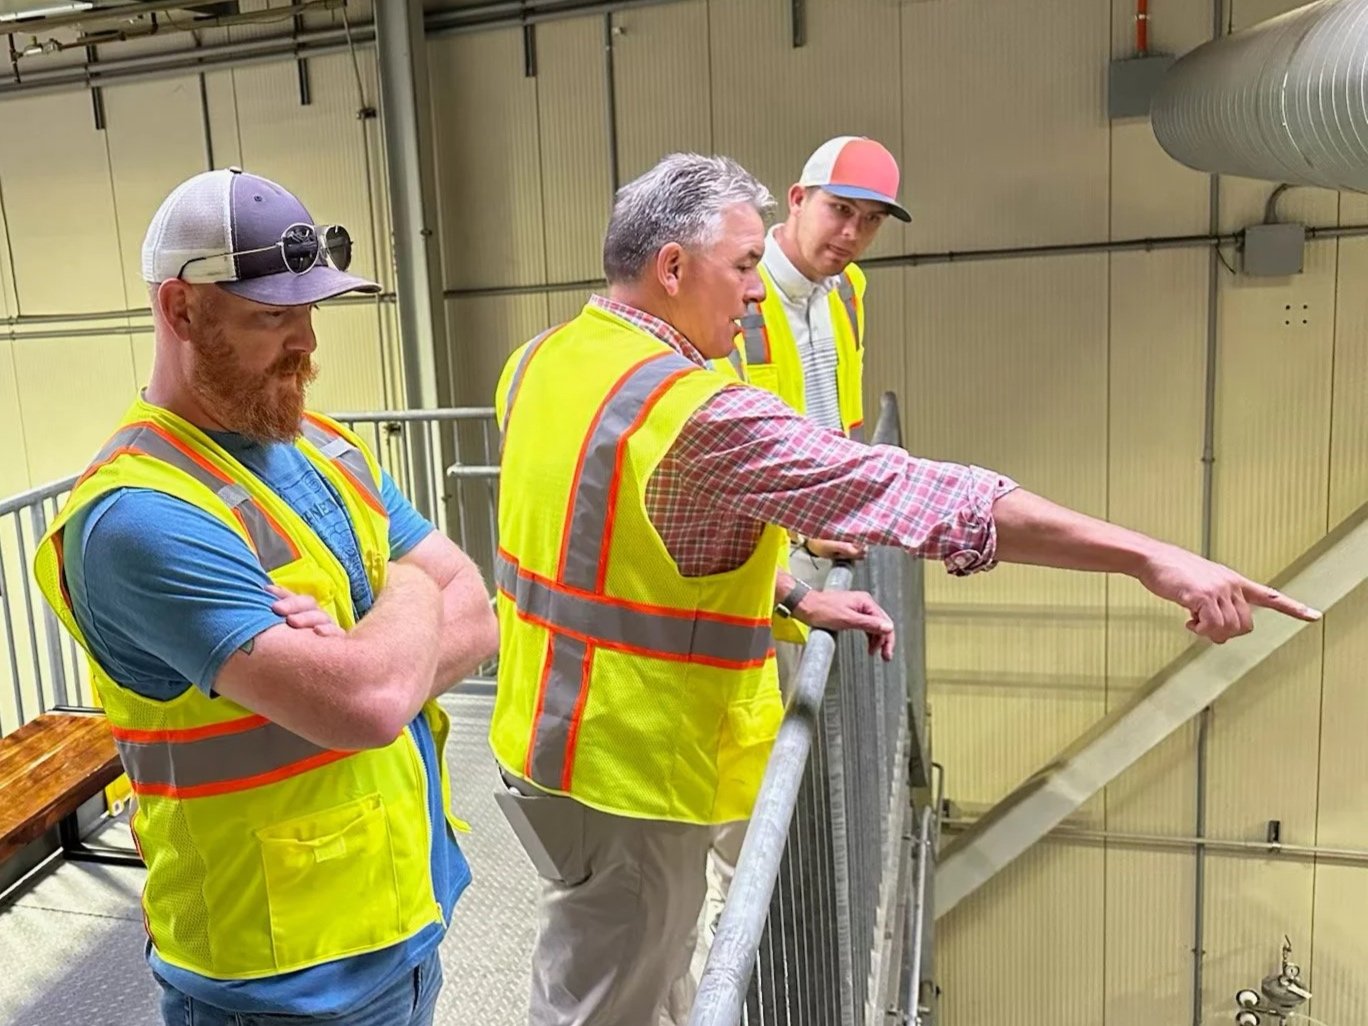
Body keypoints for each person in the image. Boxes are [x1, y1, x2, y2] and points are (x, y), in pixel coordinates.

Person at [489, 153, 1318, 1026]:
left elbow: (624, 533)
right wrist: (1152, 559)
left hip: (550, 737)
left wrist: (793, 597)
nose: (754, 292)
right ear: (671, 269)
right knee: (600, 1001)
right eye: (741, 267)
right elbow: (919, 496)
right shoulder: (691, 409)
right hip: (632, 772)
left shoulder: (546, 358)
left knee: (632, 974)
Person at [32, 168, 498, 1026]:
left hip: (402, 914)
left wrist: (368, 642)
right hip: (276, 981)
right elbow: (369, 702)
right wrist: (401, 594)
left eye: (310, 311)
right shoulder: (138, 516)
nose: (307, 344)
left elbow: (476, 605)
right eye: (273, 317)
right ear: (181, 311)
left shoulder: (320, 445)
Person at [705, 134, 910, 941]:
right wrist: (809, 528)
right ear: (796, 199)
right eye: (838, 211)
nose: (851, 234)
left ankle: (770, 889)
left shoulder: (848, 290)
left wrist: (848, 503)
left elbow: (843, 415)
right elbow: (731, 452)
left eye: (869, 221)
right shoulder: (742, 303)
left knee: (795, 731)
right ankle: (739, 914)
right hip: (769, 554)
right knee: (755, 753)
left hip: (823, 543)